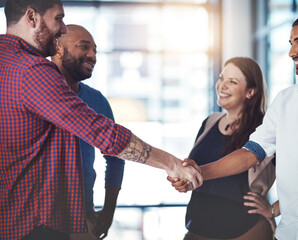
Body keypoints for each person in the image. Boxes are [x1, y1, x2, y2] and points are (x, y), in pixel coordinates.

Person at [0, 1, 202, 240]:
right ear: (32, 17)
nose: (62, 28)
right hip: (34, 224)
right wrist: (172, 164)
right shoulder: (34, 70)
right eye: (58, 19)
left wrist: (107, 210)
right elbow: (103, 134)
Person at [172, 13, 298, 240]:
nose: (292, 53)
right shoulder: (286, 100)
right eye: (291, 44)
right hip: (288, 235)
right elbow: (251, 153)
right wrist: (199, 172)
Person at [169, 57, 275, 240]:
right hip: (197, 230)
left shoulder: (265, 130)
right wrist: (186, 181)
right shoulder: (210, 122)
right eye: (222, 78)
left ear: (250, 92)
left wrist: (274, 209)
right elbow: (197, 174)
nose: (222, 85)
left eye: (232, 81)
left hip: (244, 231)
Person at [50, 24, 123, 240]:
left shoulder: (97, 100)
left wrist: (109, 211)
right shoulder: (32, 92)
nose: (93, 56)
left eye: (95, 50)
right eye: (84, 47)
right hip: (32, 218)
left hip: (82, 218)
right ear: (58, 49)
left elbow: (115, 157)